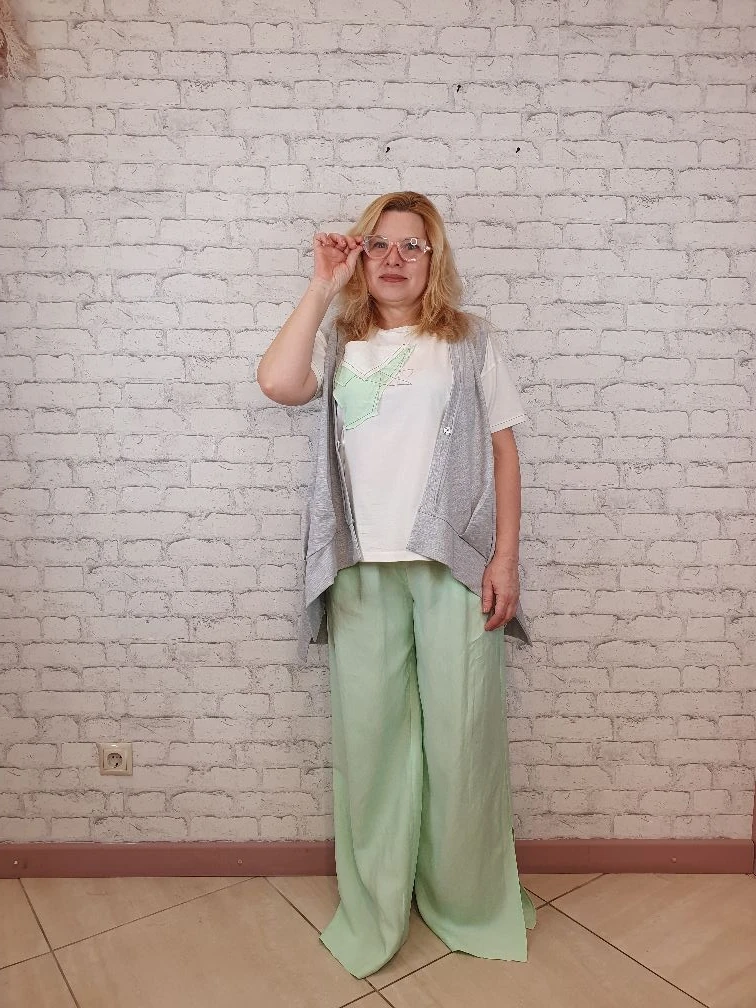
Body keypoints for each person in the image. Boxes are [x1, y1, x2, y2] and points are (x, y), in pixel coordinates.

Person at [257, 191, 536, 978]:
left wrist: (505, 559)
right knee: (371, 746)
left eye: (412, 246)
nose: (392, 258)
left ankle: (469, 902)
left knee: (462, 742)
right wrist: (321, 285)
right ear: (359, 255)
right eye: (377, 243)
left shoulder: (469, 341)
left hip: (454, 567)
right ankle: (377, 906)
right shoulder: (339, 340)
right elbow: (277, 382)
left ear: (433, 259)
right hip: (361, 569)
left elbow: (505, 453)